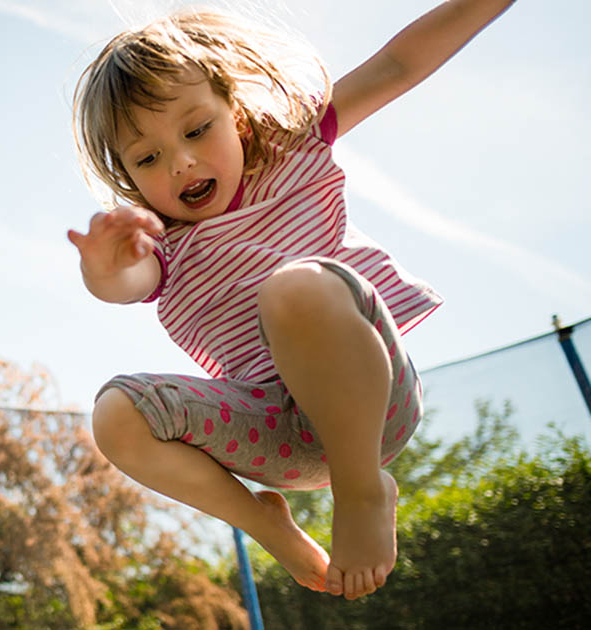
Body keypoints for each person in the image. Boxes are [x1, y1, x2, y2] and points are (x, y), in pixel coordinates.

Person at [66, 0, 514, 600]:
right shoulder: (160, 245)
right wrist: (103, 269)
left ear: (240, 120)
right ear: (128, 175)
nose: (182, 161)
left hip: (371, 406)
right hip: (275, 436)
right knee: (116, 414)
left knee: (294, 287)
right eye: (148, 158)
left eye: (197, 129)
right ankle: (265, 523)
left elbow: (397, 65)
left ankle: (364, 491)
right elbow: (125, 285)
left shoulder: (293, 153)